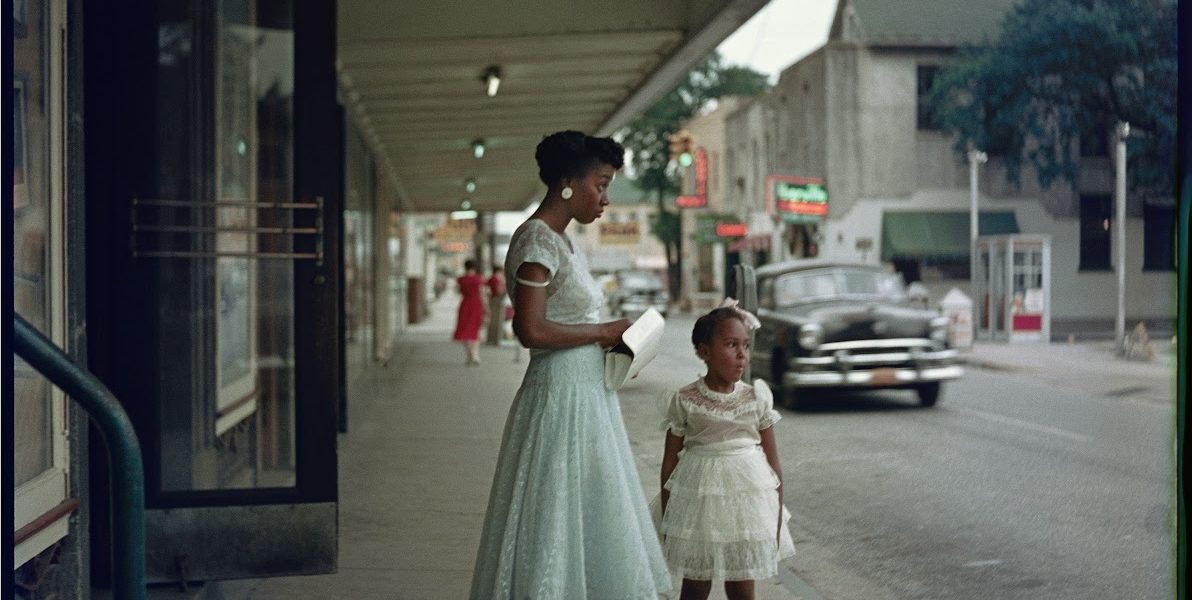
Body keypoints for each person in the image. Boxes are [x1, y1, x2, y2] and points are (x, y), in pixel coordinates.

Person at [469, 131, 671, 599]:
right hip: (558, 396)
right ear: (567, 183)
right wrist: (604, 332)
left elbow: (568, 320)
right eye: (600, 184)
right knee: (555, 509)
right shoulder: (537, 239)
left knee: (588, 508)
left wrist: (620, 347)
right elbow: (531, 330)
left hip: (586, 393)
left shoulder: (565, 242)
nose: (605, 197)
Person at [651, 299, 796, 600]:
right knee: (696, 584)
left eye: (745, 345)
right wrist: (669, 518)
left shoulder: (756, 398)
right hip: (699, 502)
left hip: (746, 506)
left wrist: (776, 518)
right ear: (704, 352)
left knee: (742, 585)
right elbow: (668, 465)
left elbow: (774, 466)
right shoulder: (685, 400)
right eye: (731, 345)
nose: (742, 355)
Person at [452, 259, 486, 365]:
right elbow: (482, 293)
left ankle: (469, 355)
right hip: (476, 304)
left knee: (464, 330)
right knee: (475, 330)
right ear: (474, 267)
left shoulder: (461, 279)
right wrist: (486, 308)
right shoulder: (479, 279)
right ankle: (475, 355)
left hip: (465, 304)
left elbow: (457, 291)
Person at [484, 265, 507, 346]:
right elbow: (498, 290)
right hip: (496, 301)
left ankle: (491, 338)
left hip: (493, 300)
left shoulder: (492, 278)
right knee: (496, 321)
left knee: (493, 321)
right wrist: (504, 288)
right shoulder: (495, 279)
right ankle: (495, 339)